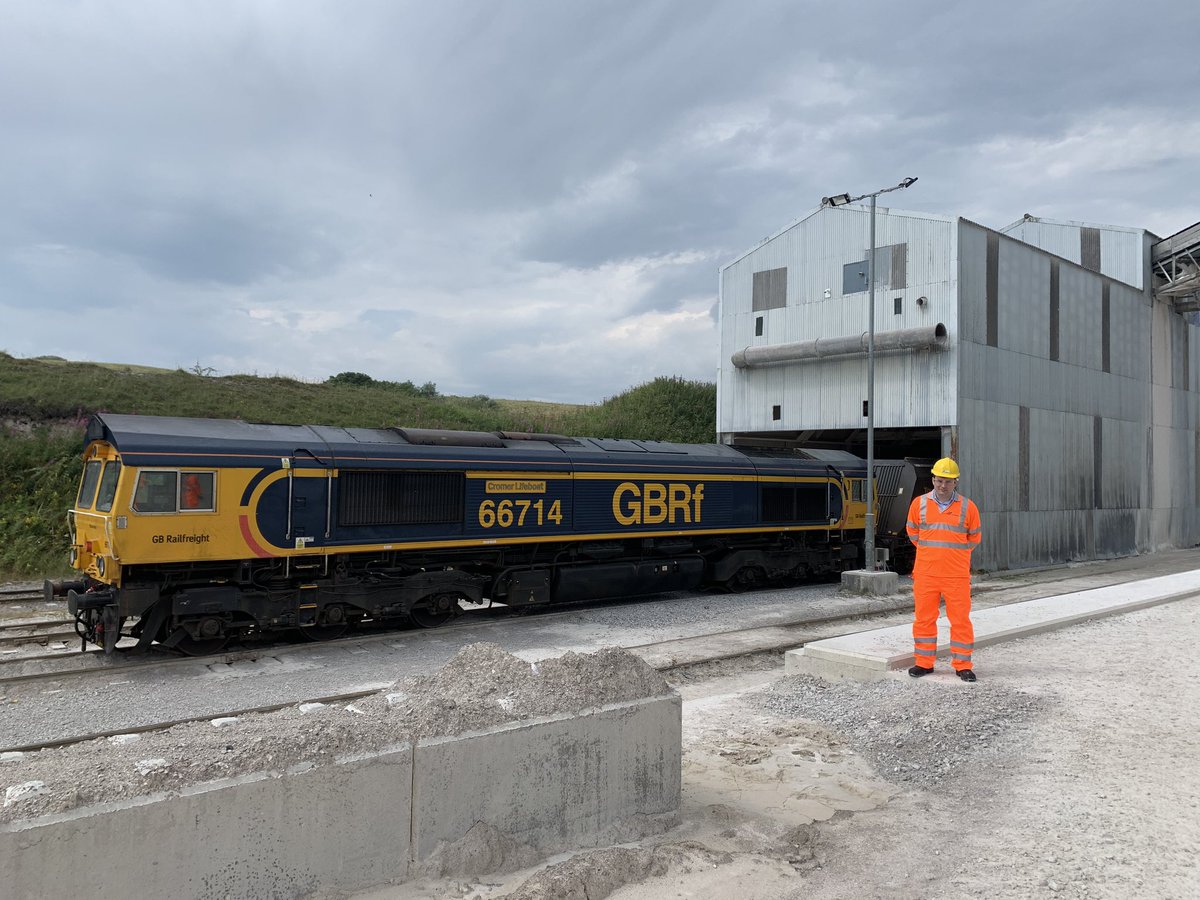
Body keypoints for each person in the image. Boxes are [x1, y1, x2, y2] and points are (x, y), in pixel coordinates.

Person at [905, 457, 982, 682]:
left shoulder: (968, 507)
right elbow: (913, 533)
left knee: (960, 621)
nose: (943, 486)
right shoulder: (918, 504)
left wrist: (952, 556)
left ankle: (963, 665)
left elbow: (974, 537)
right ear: (933, 479)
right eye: (939, 481)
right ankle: (924, 662)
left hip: (956, 575)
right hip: (926, 574)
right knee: (923, 620)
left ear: (956, 482)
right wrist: (936, 553)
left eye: (948, 482)